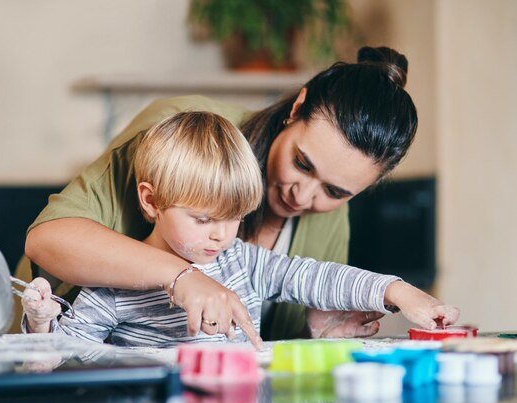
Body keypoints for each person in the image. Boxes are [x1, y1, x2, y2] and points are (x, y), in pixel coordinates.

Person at [24, 46, 419, 345]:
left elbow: (266, 337)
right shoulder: (182, 135)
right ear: (297, 108)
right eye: (301, 162)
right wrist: (180, 275)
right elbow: (49, 240)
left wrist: (313, 331)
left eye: (335, 191)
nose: (303, 195)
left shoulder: (331, 219)